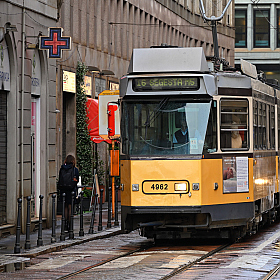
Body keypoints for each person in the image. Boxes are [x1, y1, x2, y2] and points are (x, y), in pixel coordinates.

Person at [58, 154, 79, 232]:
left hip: (63, 190)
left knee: (65, 207)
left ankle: (65, 225)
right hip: (71, 190)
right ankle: (70, 226)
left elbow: (60, 179)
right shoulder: (74, 169)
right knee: (70, 207)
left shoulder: (62, 168)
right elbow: (77, 180)